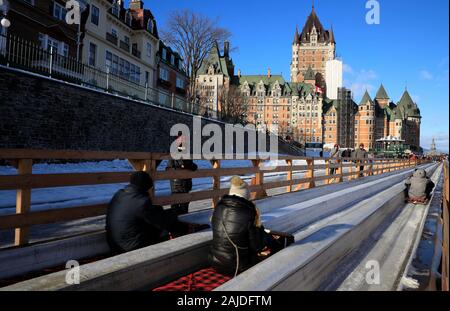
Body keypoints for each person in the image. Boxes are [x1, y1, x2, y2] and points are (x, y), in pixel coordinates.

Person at [210, 176, 290, 277]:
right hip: (238, 265)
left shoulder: (218, 207)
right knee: (276, 254)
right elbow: (257, 246)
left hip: (215, 262)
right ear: (246, 196)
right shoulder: (248, 212)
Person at [106, 171, 190, 254]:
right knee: (164, 226)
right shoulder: (141, 201)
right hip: (131, 248)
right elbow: (161, 221)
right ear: (145, 186)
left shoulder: (119, 194)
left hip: (114, 244)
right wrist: (176, 215)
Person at [167, 143, 198, 215]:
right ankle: (178, 222)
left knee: (181, 206)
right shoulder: (176, 155)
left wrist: (188, 166)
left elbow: (193, 166)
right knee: (178, 207)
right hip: (178, 185)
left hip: (182, 185)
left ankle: (181, 221)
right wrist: (182, 168)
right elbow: (168, 169)